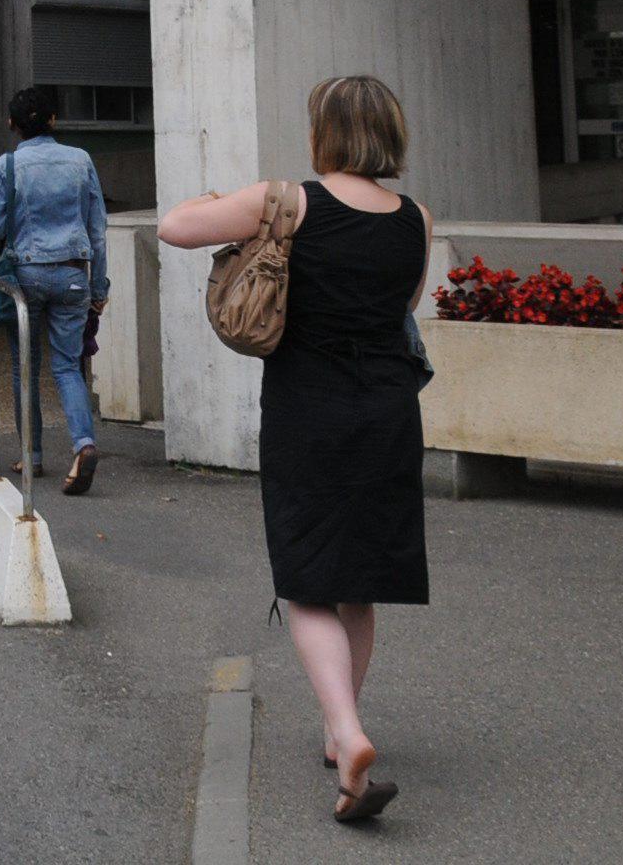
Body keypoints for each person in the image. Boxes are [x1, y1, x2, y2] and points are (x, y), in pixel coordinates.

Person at [157, 74, 432, 828]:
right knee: (360, 579)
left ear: (325, 132)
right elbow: (402, 307)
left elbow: (175, 228)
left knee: (306, 576)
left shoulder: (292, 200)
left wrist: (221, 205)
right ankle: (338, 726)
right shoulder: (416, 220)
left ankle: (346, 733)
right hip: (386, 408)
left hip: (309, 407)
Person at [0, 84, 111, 495]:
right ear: (53, 120)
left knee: (26, 367)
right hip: (74, 275)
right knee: (68, 367)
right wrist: (98, 286)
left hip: (27, 276)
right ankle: (83, 444)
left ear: (12, 125)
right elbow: (98, 231)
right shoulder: (81, 161)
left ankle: (32, 455)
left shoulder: (6, 167)